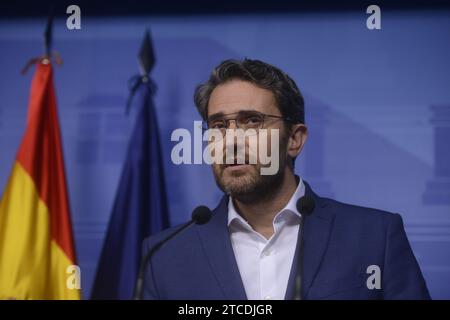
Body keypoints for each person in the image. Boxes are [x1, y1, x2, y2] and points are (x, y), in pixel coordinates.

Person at [142, 59, 430, 300]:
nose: (231, 141)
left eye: (252, 121)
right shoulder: (164, 256)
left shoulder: (375, 237)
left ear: (294, 139)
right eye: (218, 125)